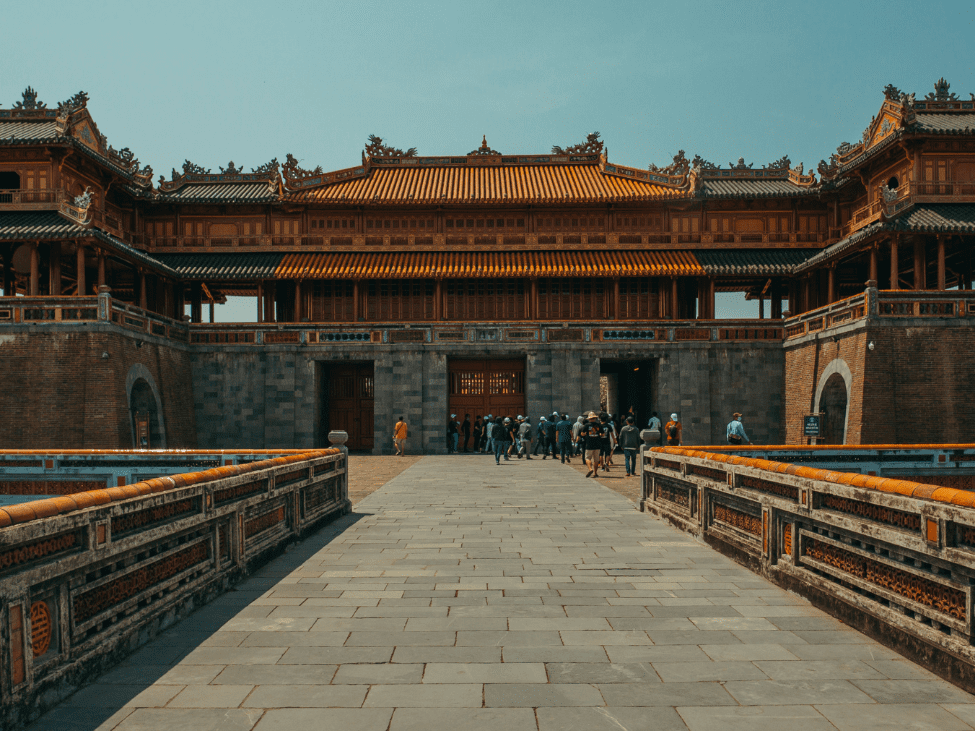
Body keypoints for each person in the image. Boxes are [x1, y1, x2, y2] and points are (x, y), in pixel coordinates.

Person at [580, 412, 605, 478]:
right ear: (595, 418)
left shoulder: (586, 425)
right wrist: (599, 435)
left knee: (587, 458)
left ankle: (590, 469)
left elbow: (582, 433)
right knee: (596, 459)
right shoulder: (599, 425)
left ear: (589, 419)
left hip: (589, 444)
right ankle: (595, 473)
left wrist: (585, 434)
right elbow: (603, 434)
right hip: (597, 444)